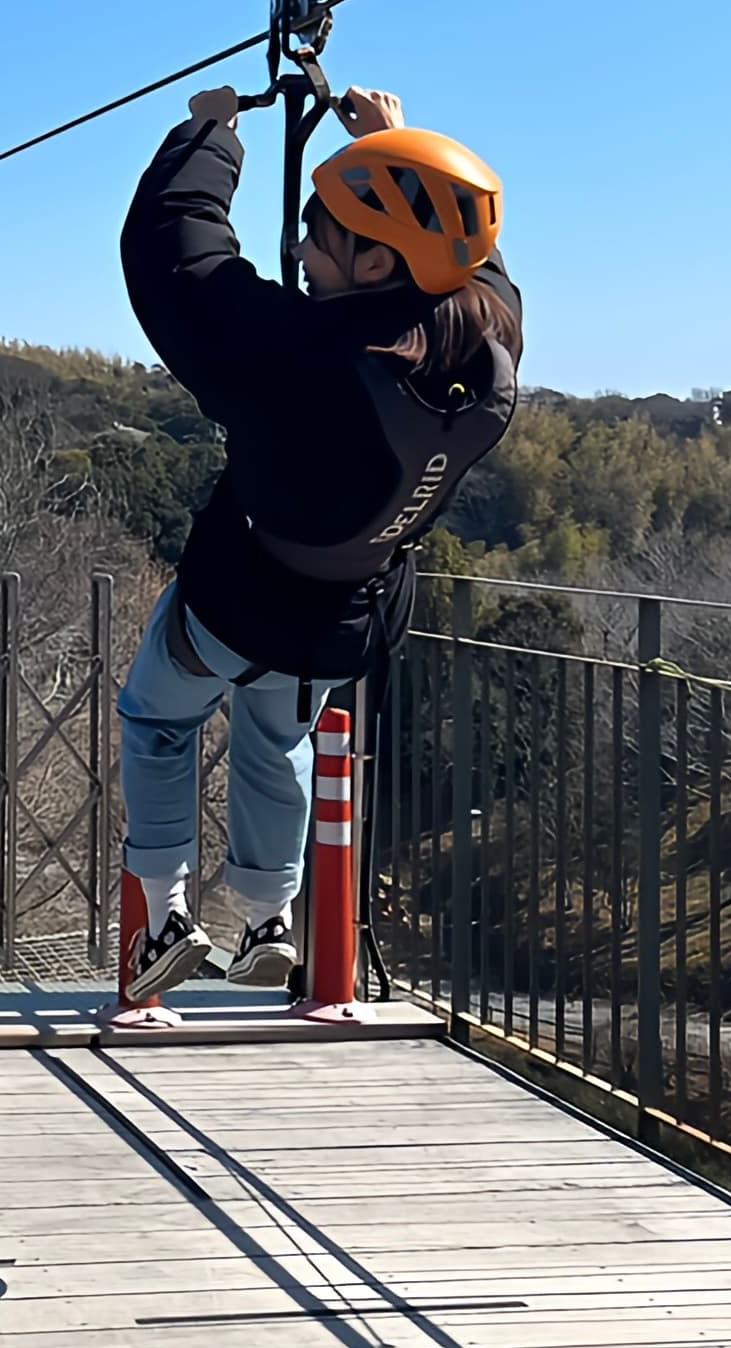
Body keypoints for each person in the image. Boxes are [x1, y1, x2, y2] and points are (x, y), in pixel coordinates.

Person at [116, 82, 519, 998]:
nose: (299, 249)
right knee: (273, 740)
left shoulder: (292, 360)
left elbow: (176, 254)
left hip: (234, 601)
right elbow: (474, 264)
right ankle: (268, 919)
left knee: (157, 719)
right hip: (343, 617)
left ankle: (165, 921)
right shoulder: (484, 343)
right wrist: (396, 144)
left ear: (376, 265)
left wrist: (211, 135)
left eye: (319, 235)